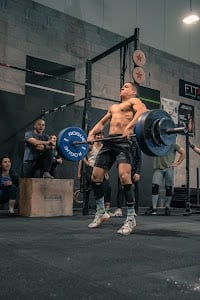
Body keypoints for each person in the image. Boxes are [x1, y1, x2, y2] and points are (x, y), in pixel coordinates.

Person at [87, 81, 147, 235]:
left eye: (126, 87)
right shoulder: (113, 107)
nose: (122, 88)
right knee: (95, 177)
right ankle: (101, 212)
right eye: (122, 86)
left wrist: (129, 127)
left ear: (133, 92)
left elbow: (142, 111)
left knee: (124, 176)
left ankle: (131, 217)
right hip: (109, 142)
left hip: (125, 141)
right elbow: (102, 123)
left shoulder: (134, 101)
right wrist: (91, 134)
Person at [145, 143, 185, 216]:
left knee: (168, 187)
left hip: (168, 168)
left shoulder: (173, 145)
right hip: (158, 168)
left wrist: (177, 163)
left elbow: (183, 152)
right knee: (155, 187)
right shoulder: (157, 143)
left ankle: (167, 207)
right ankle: (154, 208)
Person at [77, 131, 112, 215]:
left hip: (101, 169)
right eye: (98, 135)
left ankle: (106, 209)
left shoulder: (104, 147)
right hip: (90, 168)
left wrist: (106, 172)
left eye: (101, 135)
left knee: (108, 187)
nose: (99, 137)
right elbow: (81, 157)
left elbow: (107, 161)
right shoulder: (90, 146)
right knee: (96, 184)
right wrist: (81, 170)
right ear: (95, 137)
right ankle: (88, 210)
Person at [114, 138, 142, 217]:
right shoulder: (121, 142)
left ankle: (134, 210)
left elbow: (139, 159)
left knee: (135, 190)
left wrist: (138, 172)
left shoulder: (136, 143)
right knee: (121, 188)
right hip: (123, 168)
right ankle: (119, 209)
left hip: (133, 170)